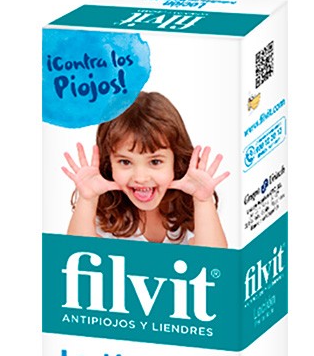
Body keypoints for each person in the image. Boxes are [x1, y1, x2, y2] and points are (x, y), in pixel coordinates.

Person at [61, 91, 229, 248]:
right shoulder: (104, 210)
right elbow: (77, 255)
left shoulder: (189, 205)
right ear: (109, 164)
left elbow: (215, 262)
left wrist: (203, 202)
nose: (140, 178)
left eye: (155, 162)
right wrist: (87, 200)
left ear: (176, 161)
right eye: (125, 162)